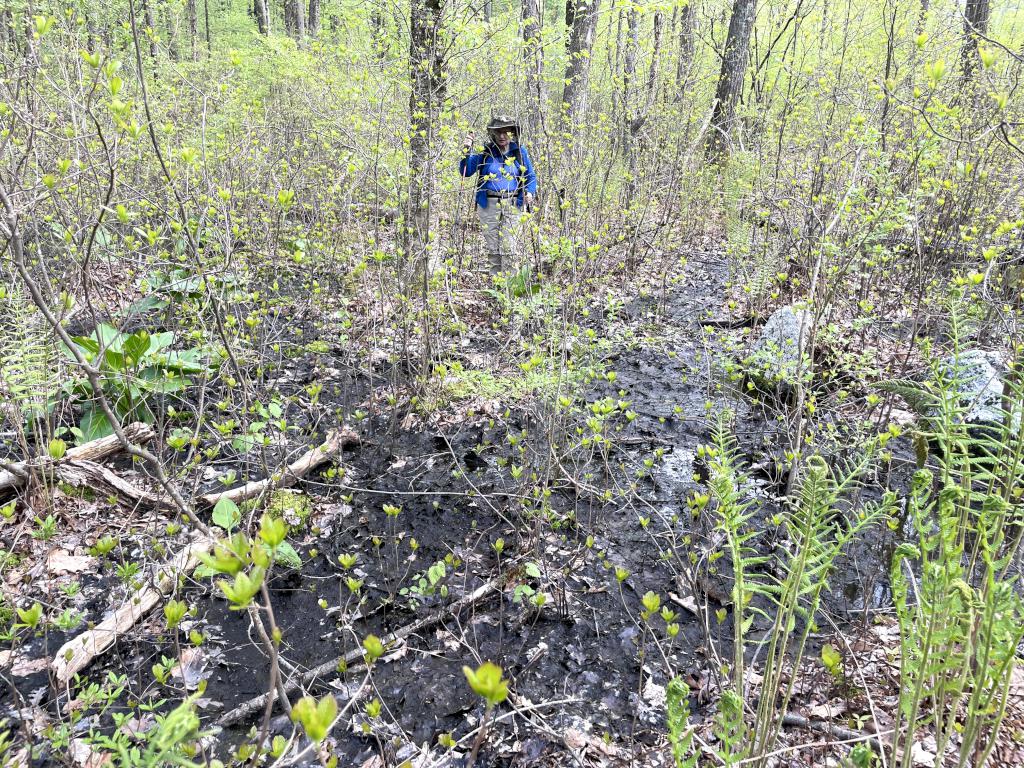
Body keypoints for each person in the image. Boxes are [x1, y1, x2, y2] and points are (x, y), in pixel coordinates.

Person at [459, 115, 538, 276]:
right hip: (489, 204)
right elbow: (465, 171)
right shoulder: (485, 152)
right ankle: (497, 285)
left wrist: (529, 192)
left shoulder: (519, 151)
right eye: (498, 132)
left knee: (509, 245)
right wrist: (466, 150)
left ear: (512, 133)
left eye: (506, 132)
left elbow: (531, 176)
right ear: (493, 133)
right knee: (493, 246)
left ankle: (510, 284)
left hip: (513, 203)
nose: (502, 136)